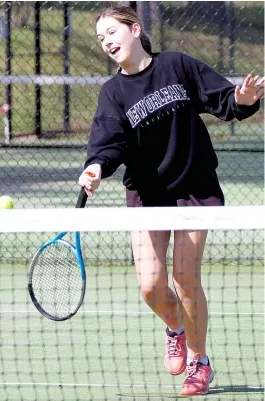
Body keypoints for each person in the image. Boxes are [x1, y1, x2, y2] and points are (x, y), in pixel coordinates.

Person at [78, 5, 264, 397]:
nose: (107, 41)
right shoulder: (113, 93)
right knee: (149, 286)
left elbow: (222, 99)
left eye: (112, 32)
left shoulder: (176, 65)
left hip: (195, 188)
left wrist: (243, 99)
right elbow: (108, 143)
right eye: (101, 38)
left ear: (135, 29)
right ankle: (176, 327)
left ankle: (200, 362)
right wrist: (96, 167)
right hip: (148, 196)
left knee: (184, 277)